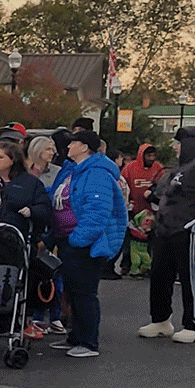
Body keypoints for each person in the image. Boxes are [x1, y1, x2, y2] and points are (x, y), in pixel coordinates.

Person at [140, 126, 195, 344]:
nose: (175, 147)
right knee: (159, 273)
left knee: (188, 275)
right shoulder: (179, 169)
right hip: (166, 228)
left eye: (179, 143)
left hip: (188, 229)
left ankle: (193, 324)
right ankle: (160, 319)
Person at [58, 130, 124, 357]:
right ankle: (76, 336)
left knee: (84, 292)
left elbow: (97, 211)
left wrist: (78, 239)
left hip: (85, 244)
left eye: (73, 143)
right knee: (74, 291)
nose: (68, 147)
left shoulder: (96, 174)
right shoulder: (77, 171)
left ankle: (88, 342)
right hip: (71, 240)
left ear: (84, 147)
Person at [118, 143, 166, 274]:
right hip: (134, 209)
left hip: (152, 212)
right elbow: (122, 185)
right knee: (129, 240)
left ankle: (148, 266)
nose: (151, 158)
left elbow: (163, 188)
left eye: (153, 155)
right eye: (148, 155)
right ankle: (126, 265)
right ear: (142, 156)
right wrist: (127, 202)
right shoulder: (130, 168)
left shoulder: (158, 169)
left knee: (152, 240)